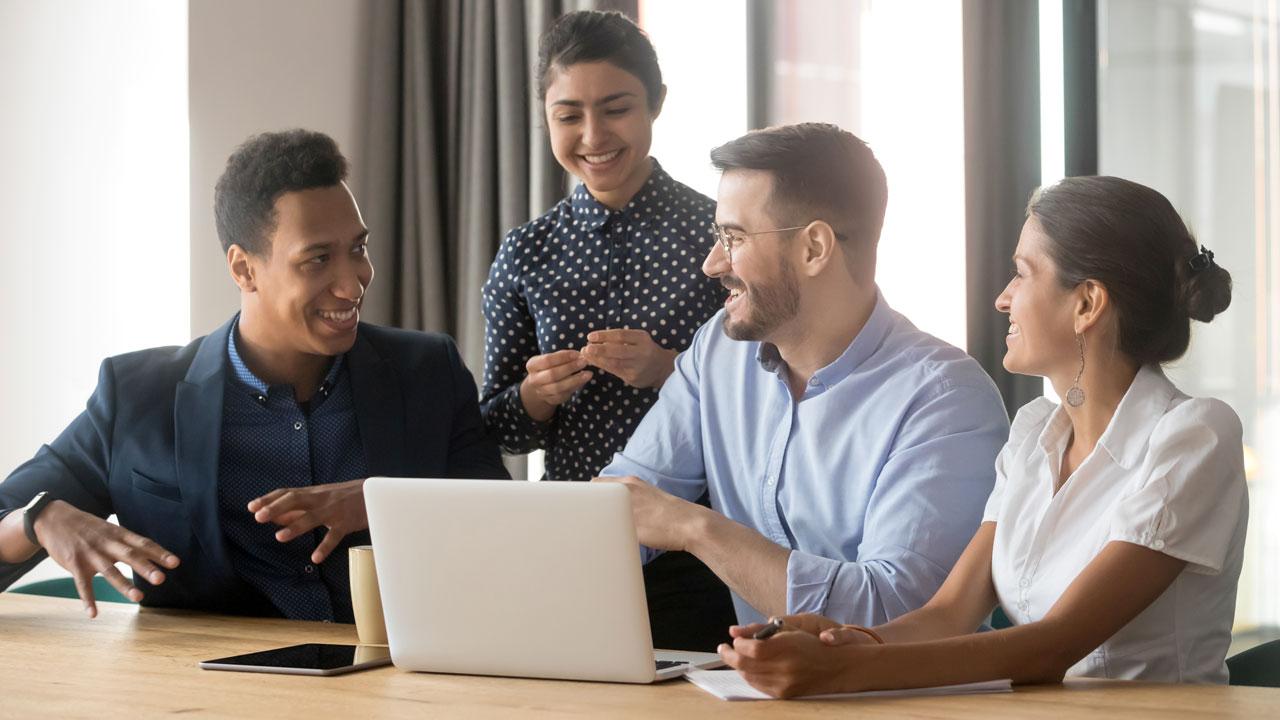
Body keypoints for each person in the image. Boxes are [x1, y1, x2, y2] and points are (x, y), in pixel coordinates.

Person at [719, 175, 1247, 697]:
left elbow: (1050, 648)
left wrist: (837, 672)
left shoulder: (1194, 436)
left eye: (1021, 275)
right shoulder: (1034, 432)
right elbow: (949, 614)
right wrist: (845, 640)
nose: (1003, 298)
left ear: (1086, 303)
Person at [0, 129, 507, 621]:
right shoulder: (136, 396)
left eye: (358, 248)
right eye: (318, 259)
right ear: (244, 269)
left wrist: (381, 501)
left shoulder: (427, 372)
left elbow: (507, 529)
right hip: (205, 695)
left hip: (397, 684)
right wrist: (37, 517)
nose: (353, 283)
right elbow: (11, 515)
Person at [593, 123, 1011, 631]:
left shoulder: (946, 400)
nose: (711, 264)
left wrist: (696, 528)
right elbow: (621, 508)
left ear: (815, 247)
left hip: (902, 704)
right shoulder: (717, 353)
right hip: (762, 694)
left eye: (734, 237)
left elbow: (894, 614)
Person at [479, 11, 734, 650]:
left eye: (615, 108)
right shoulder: (525, 252)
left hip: (702, 542)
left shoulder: (720, 235)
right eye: (569, 115)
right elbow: (496, 424)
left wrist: (671, 369)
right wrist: (536, 397)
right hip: (571, 540)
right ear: (545, 118)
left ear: (656, 105)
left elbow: (777, 389)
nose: (593, 135)